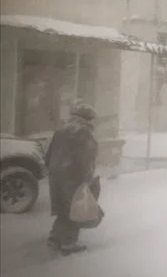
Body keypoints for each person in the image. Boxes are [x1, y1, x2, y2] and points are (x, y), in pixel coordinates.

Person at [44, 103, 99, 254]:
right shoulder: (83, 132)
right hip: (74, 175)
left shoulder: (61, 129)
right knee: (76, 208)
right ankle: (69, 243)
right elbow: (85, 158)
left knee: (63, 206)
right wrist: (87, 177)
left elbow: (48, 155)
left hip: (56, 175)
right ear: (88, 118)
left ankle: (54, 238)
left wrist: (52, 169)